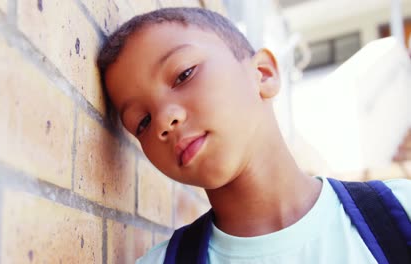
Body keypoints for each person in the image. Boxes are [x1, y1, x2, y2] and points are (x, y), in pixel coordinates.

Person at [98, 7, 411, 264]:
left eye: (183, 74)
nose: (164, 121)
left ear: (263, 74)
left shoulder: (400, 211)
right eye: (143, 122)